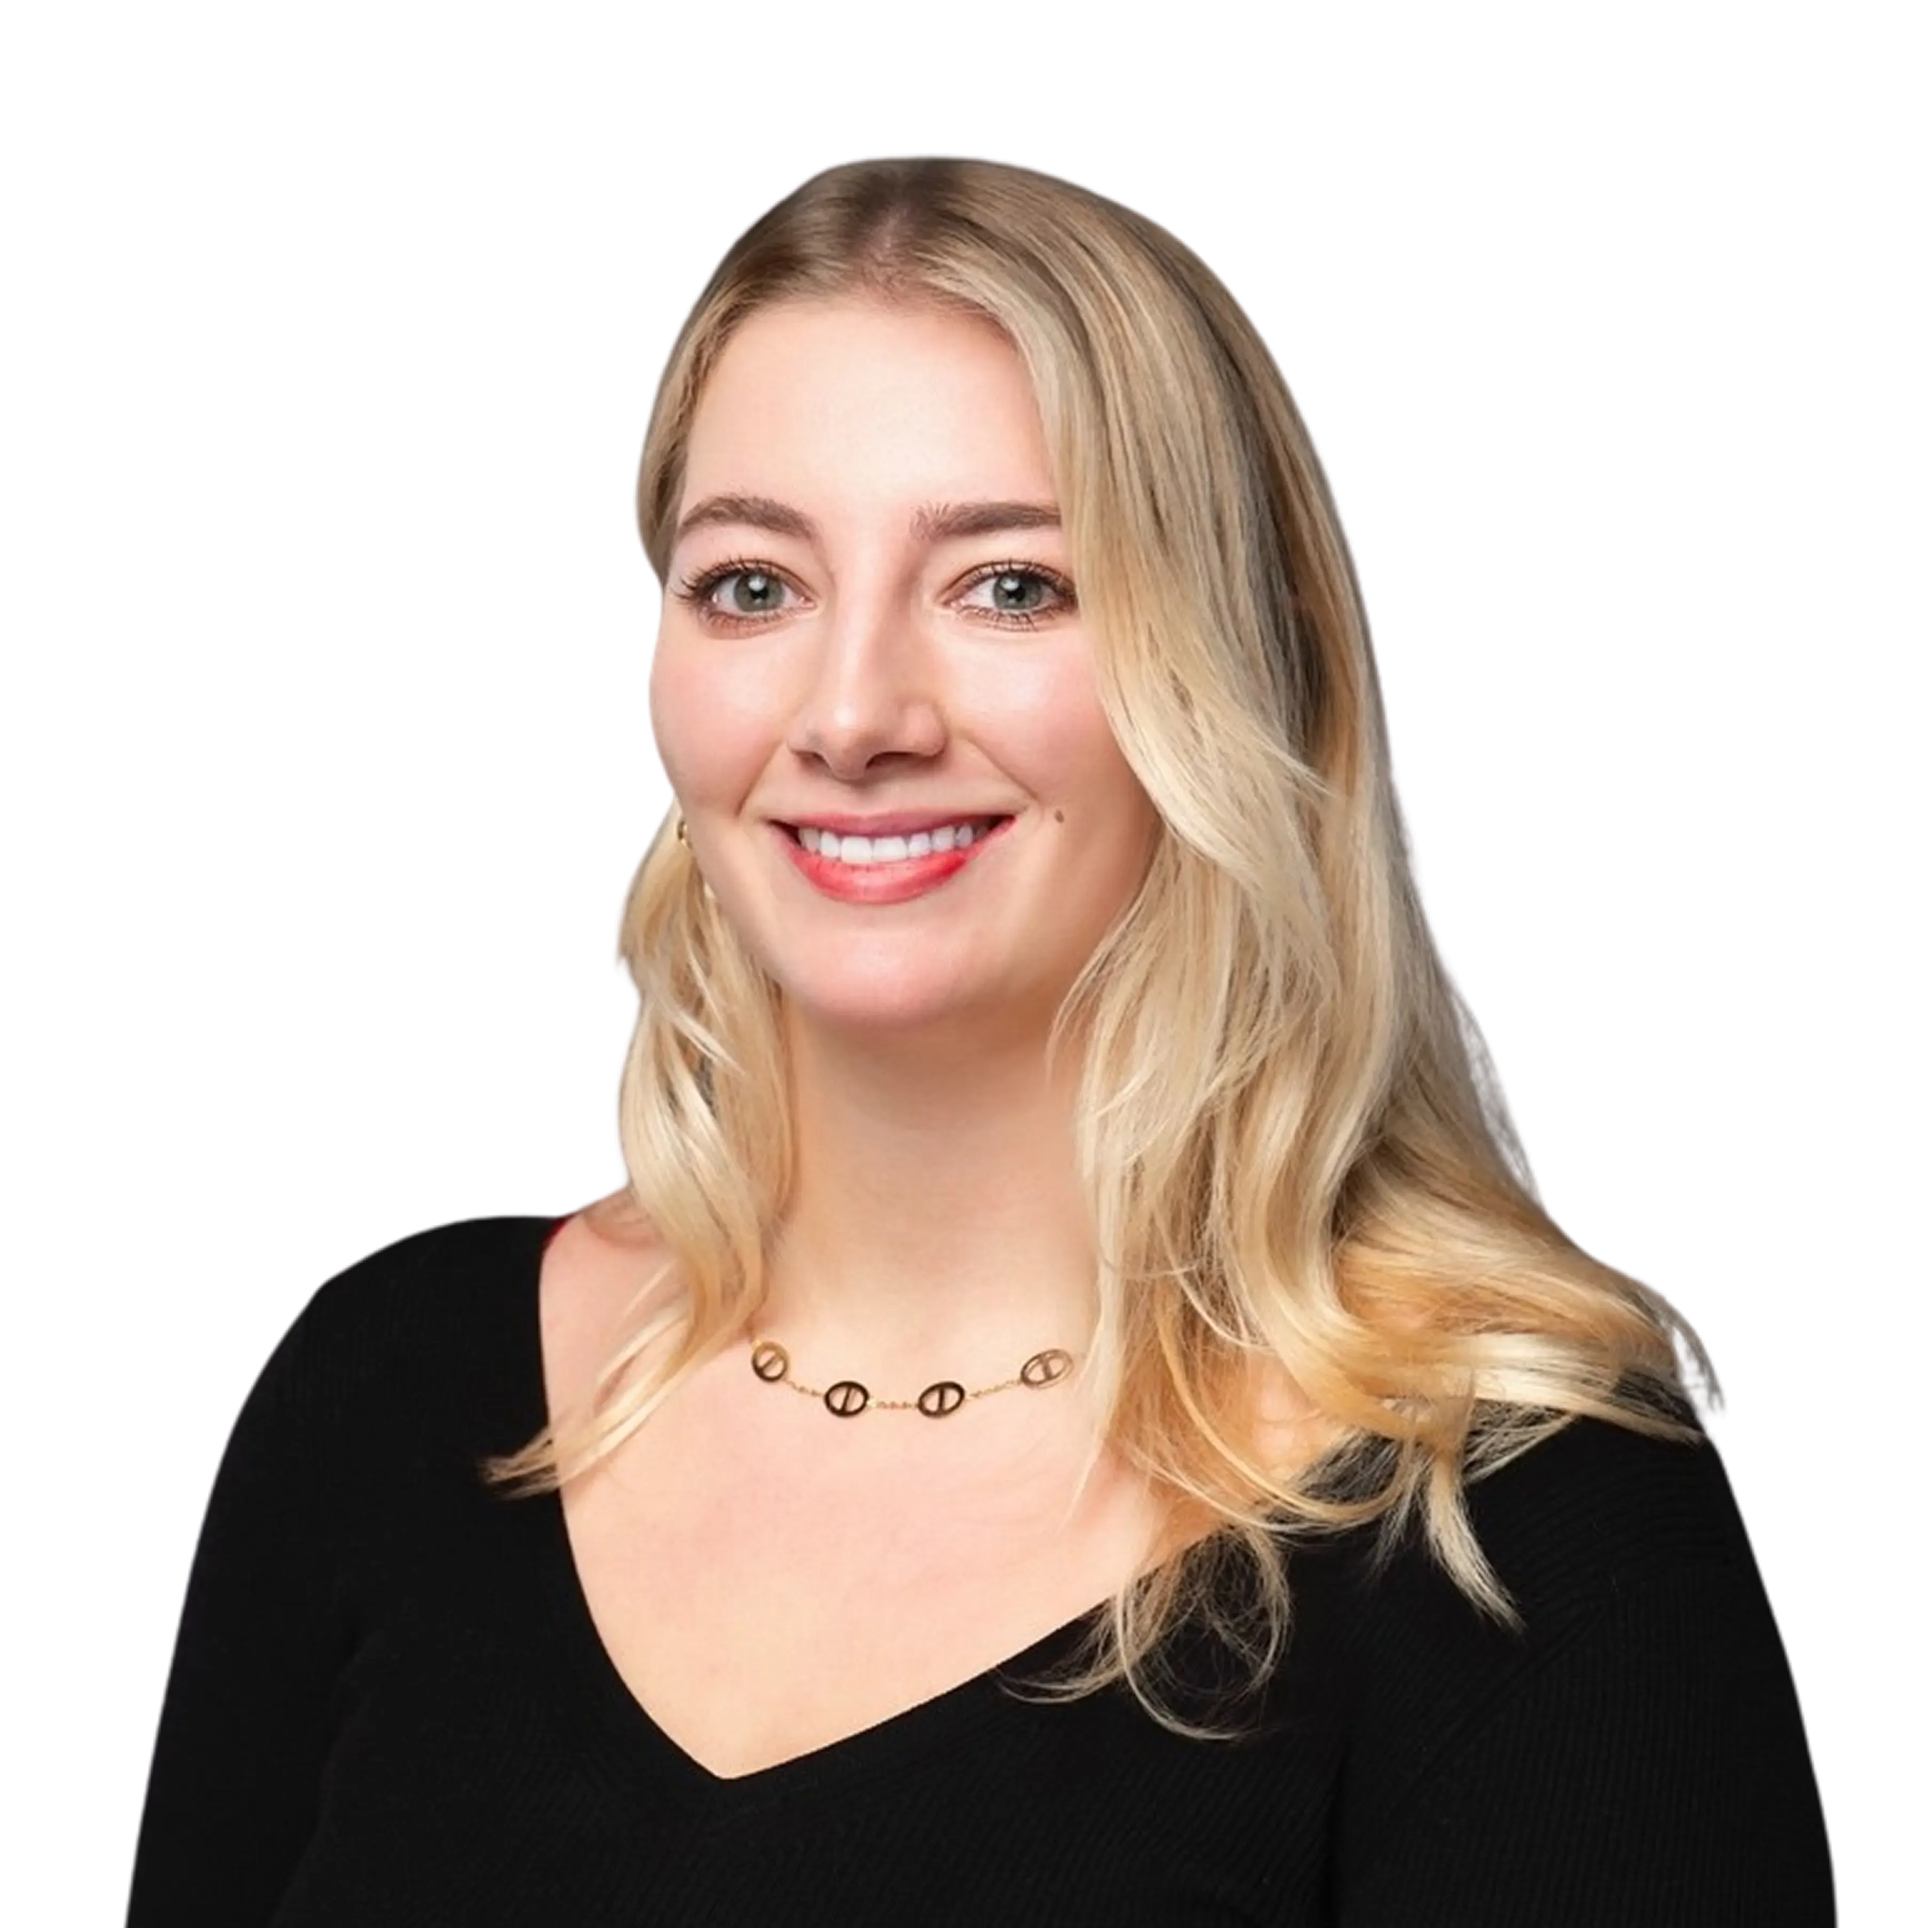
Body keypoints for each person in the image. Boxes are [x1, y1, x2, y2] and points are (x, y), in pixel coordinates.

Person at [125, 154, 1839, 1925]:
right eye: (751, 586)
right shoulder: (383, 1384)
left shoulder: (1521, 1520)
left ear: (1235, 664)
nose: (852, 713)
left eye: (1010, 585)